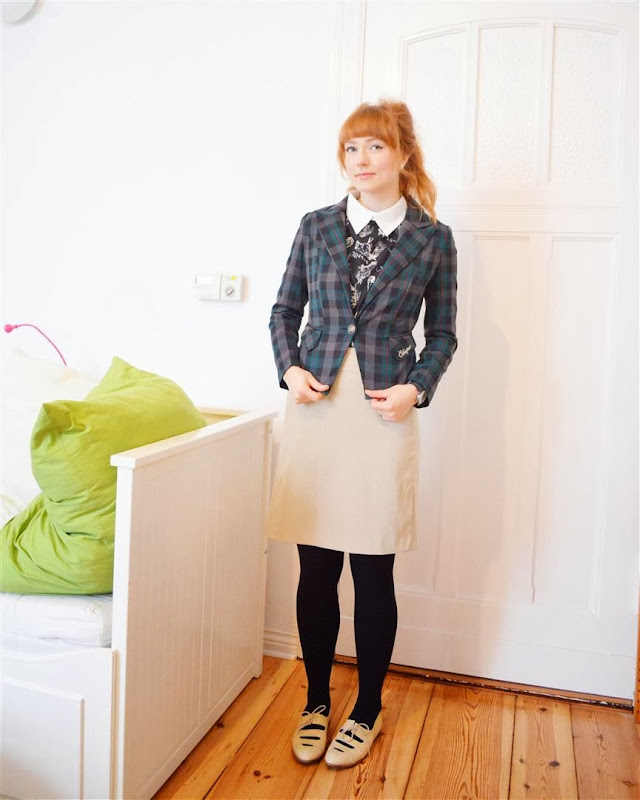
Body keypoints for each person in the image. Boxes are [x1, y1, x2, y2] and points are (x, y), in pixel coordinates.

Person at [267, 99, 458, 769]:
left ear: (403, 156)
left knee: (374, 570)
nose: (361, 160)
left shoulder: (433, 239)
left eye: (375, 147)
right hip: (316, 411)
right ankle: (316, 701)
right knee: (316, 570)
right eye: (351, 149)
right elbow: (284, 310)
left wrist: (417, 388)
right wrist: (289, 368)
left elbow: (443, 334)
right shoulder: (316, 226)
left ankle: (368, 707)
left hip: (384, 415)